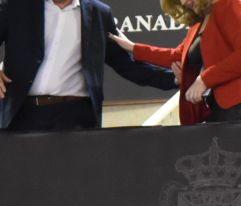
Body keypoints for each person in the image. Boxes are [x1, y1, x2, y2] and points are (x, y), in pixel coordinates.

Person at [0, 0, 176, 130]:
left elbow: (127, 65)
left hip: (76, 117)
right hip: (22, 114)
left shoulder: (99, 13)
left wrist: (175, 79)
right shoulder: (16, 6)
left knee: (77, 179)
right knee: (23, 179)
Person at [121, 0, 241, 121]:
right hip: (221, 107)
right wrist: (132, 48)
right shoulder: (198, 22)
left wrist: (204, 79)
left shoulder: (230, 4)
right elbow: (175, 56)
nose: (183, 2)